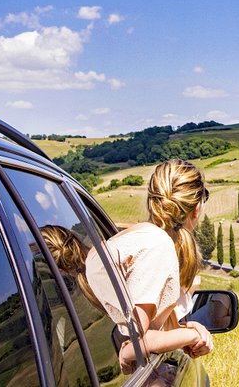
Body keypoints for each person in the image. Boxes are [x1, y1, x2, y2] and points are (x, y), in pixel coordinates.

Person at [42, 159, 214, 374]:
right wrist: (192, 336)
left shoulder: (138, 238)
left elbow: (145, 326)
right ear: (196, 208)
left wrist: (183, 331)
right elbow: (134, 343)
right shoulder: (157, 246)